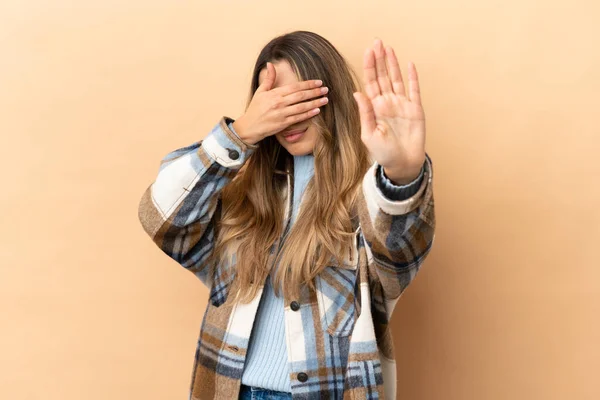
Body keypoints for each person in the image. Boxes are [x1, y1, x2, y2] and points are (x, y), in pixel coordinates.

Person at [138, 30, 435, 400]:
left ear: (332, 97)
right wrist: (240, 134)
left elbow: (400, 257)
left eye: (302, 99)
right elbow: (160, 216)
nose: (289, 115)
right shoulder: (240, 189)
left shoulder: (369, 191)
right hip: (231, 389)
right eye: (276, 102)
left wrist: (403, 176)